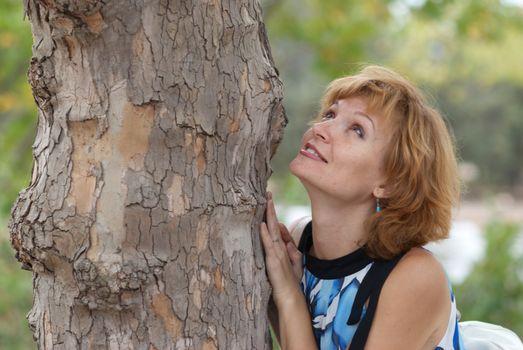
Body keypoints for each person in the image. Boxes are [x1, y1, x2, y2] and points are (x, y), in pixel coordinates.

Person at [260, 65, 464, 350]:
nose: (320, 129)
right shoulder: (297, 244)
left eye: (357, 130)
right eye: (330, 114)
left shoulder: (414, 276)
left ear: (391, 181)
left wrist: (290, 296)